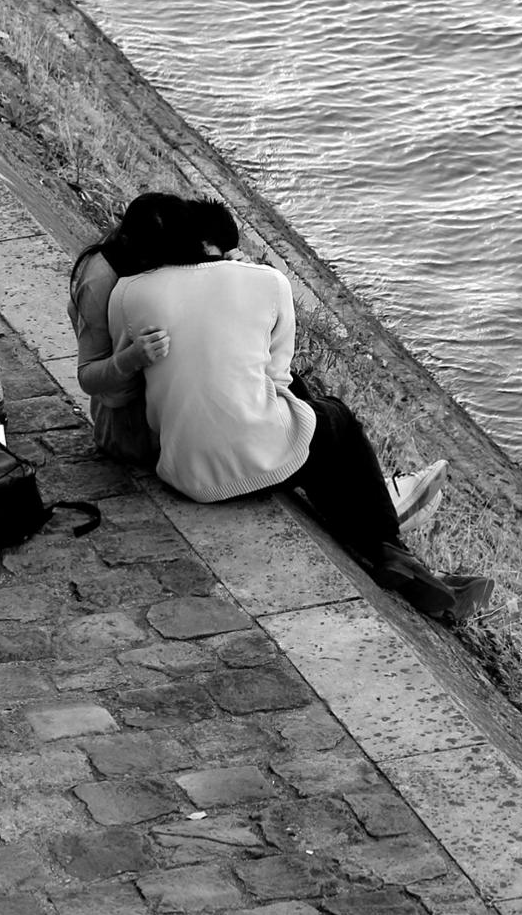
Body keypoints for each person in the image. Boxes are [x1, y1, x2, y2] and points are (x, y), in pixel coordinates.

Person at [105, 217, 491, 624]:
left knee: (313, 440)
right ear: (212, 248)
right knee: (334, 419)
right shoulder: (264, 282)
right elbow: (279, 379)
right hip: (238, 466)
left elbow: (119, 390)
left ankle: (394, 550)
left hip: (180, 470)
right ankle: (390, 540)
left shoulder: (129, 292)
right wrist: (246, 286)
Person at [68, 192, 237, 466]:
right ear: (144, 250)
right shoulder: (100, 281)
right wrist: (132, 357)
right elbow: (88, 377)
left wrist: (230, 272)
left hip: (173, 400)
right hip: (129, 426)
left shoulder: (157, 252)